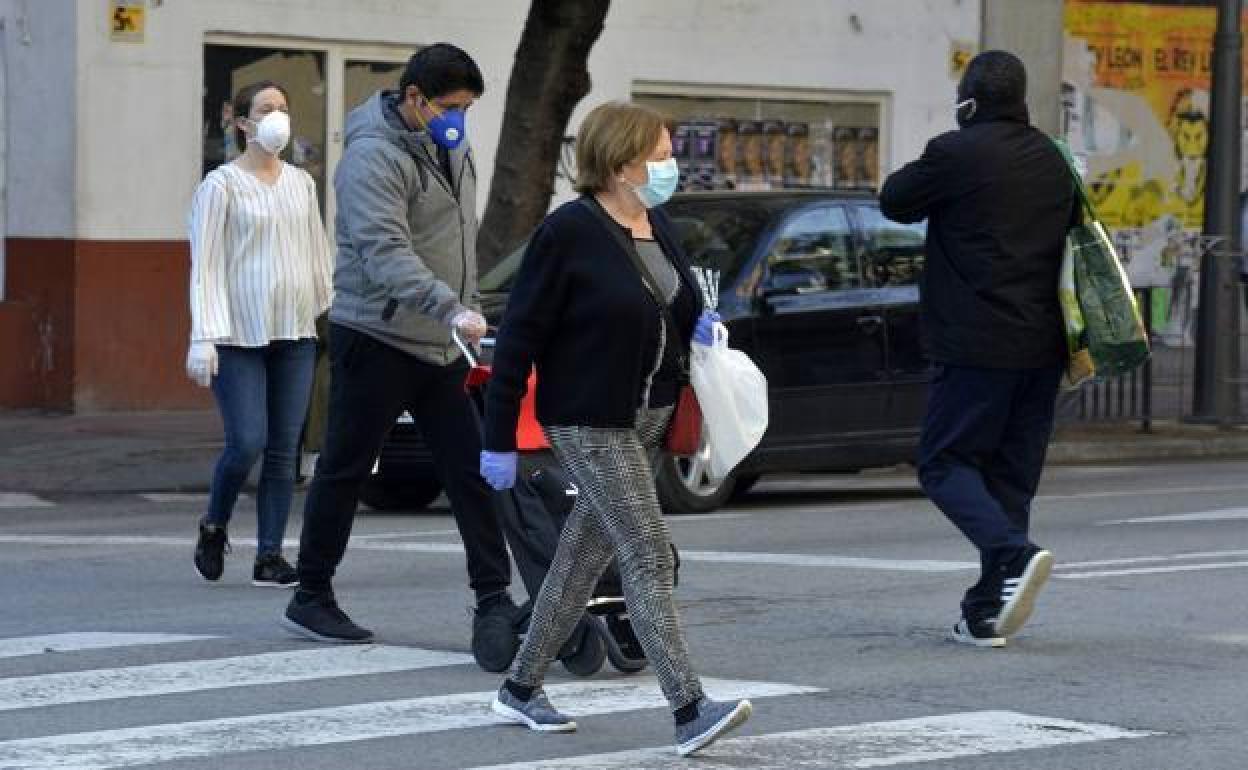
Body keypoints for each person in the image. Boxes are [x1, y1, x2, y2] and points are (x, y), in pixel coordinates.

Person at [479, 101, 752, 756]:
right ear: (622, 162)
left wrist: (699, 328)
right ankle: (688, 708)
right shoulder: (569, 232)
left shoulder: (657, 224)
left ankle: (519, 689)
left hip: (649, 417)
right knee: (647, 551)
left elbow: (674, 305)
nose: (671, 164)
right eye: (660, 154)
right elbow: (519, 336)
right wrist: (497, 436)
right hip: (589, 418)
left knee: (579, 560)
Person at [281, 44, 519, 667]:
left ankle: (493, 598)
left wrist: (465, 307)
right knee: (346, 467)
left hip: (440, 342)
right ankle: (311, 594)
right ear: (414, 97)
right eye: (450, 106)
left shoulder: (450, 145)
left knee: (469, 470)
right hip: (378, 336)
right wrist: (449, 305)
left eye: (467, 108)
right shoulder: (371, 157)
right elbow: (384, 251)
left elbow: (458, 237)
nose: (458, 119)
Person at [879, 51, 1076, 648]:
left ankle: (1013, 555)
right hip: (1044, 345)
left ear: (968, 101)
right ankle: (986, 611)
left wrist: (957, 137)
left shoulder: (956, 153)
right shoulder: (1054, 159)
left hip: (975, 342)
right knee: (1010, 480)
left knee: (944, 463)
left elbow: (895, 199)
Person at [187, 80, 333, 588]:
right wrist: (203, 334)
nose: (278, 117)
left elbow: (317, 252)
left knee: (283, 449)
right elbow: (205, 263)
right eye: (267, 108)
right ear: (242, 122)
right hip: (236, 334)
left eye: (284, 107)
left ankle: (269, 555)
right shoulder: (220, 186)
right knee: (247, 441)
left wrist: (327, 310)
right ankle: (214, 524)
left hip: (295, 331)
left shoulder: (302, 183)